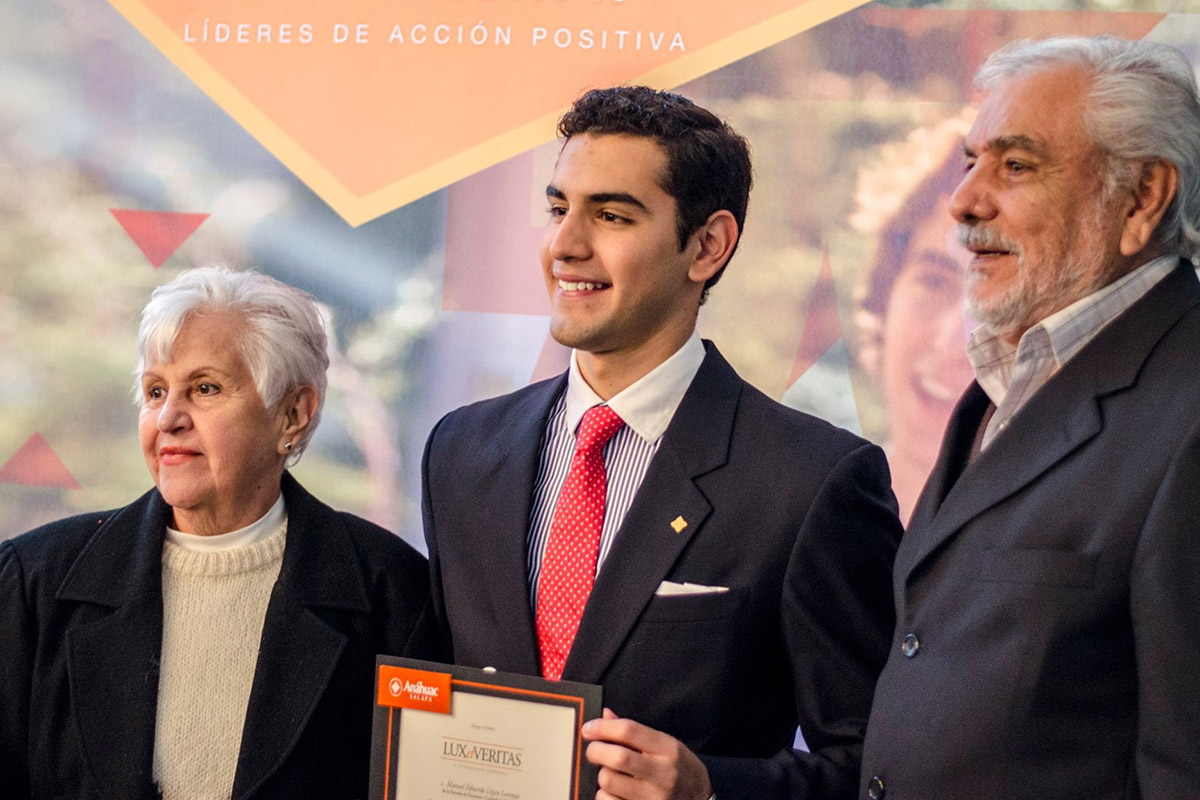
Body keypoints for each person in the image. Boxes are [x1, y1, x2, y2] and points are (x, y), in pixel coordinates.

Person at [422, 86, 902, 800]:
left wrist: (710, 789)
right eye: (559, 209)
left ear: (708, 246)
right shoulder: (460, 450)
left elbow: (880, 767)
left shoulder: (813, 482)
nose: (566, 245)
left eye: (611, 215)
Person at [861, 36, 1200, 799]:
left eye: (1016, 166)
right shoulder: (1006, 376)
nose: (965, 201)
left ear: (1143, 197)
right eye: (971, 161)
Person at [0, 266, 435, 799]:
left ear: (293, 414)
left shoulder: (393, 593)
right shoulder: (30, 585)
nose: (167, 419)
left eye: (205, 388)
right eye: (156, 391)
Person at [850, 119, 976, 523]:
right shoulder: (801, 511)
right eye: (934, 282)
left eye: (993, 304)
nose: (951, 342)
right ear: (886, 292)